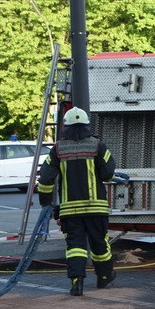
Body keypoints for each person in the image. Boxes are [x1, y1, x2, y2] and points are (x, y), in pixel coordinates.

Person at [37, 108, 117, 296]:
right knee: (99, 242)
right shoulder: (98, 146)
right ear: (87, 125)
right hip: (96, 208)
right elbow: (108, 173)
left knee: (75, 246)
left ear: (65, 126)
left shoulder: (58, 149)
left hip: (70, 210)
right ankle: (104, 276)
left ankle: (76, 282)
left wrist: (46, 203)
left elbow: (45, 180)